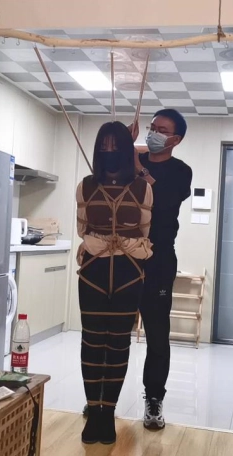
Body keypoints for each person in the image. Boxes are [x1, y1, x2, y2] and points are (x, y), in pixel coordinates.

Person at [76, 121, 154, 444]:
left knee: (119, 343)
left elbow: (145, 230)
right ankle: (93, 410)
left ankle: (107, 413)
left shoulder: (143, 188)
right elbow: (82, 228)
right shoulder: (85, 186)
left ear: (126, 151)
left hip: (128, 273)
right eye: (103, 147)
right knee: (92, 343)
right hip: (93, 272)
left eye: (116, 147)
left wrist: (116, 244)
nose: (109, 152)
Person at [131, 109, 193, 430]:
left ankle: (154, 398)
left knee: (157, 333)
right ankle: (102, 398)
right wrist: (122, 145)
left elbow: (162, 200)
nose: (153, 133)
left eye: (162, 129)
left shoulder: (181, 171)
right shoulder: (131, 161)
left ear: (175, 139)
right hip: (124, 257)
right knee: (113, 332)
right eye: (151, 127)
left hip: (158, 260)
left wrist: (136, 163)